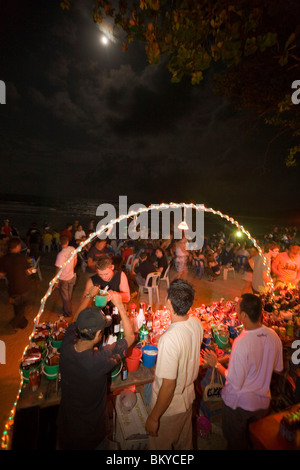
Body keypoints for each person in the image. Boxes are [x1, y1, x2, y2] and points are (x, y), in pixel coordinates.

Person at [203, 293, 283, 450]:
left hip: (238, 405)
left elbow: (234, 381)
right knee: (253, 439)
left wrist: (215, 364)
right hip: (262, 403)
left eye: (238, 310)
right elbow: (277, 367)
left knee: (236, 443)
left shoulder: (242, 342)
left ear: (244, 316)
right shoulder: (273, 336)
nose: (236, 312)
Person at [57, 292, 135, 450]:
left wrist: (87, 296)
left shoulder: (66, 344)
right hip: (90, 434)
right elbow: (130, 337)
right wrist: (120, 305)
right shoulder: (99, 360)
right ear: (99, 334)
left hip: (66, 428)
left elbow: (73, 322)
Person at [145, 279, 203, 450]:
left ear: (168, 303)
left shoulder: (169, 339)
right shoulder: (196, 323)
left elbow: (168, 386)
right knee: (184, 446)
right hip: (187, 400)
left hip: (168, 409)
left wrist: (154, 417)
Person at [0, 237, 36, 331]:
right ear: (18, 246)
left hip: (12, 288)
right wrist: (33, 270)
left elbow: (2, 274)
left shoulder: (4, 258)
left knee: (17, 306)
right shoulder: (21, 258)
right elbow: (28, 272)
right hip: (23, 287)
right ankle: (13, 324)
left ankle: (22, 323)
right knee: (24, 305)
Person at [55, 235, 77, 317]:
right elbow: (75, 260)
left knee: (65, 297)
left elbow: (58, 269)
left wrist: (56, 280)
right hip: (72, 276)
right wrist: (71, 269)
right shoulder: (72, 249)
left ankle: (67, 313)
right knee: (68, 295)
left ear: (60, 243)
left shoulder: (60, 255)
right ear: (67, 242)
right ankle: (65, 309)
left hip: (64, 279)